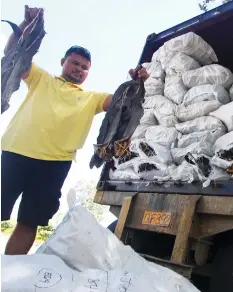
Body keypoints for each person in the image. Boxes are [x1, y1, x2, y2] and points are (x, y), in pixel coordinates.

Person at [1, 5, 149, 255]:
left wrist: (138, 81)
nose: (79, 69)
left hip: (55, 165)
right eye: (74, 63)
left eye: (84, 67)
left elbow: (123, 101)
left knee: (30, 222)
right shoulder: (41, 78)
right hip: (16, 153)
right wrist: (25, 26)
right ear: (63, 62)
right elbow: (13, 55)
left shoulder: (92, 98)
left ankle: (6, 277)